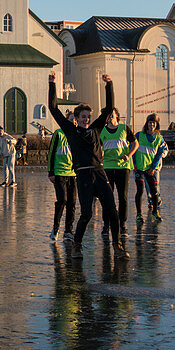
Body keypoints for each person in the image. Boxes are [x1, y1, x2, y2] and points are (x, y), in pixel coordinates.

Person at [49, 72, 129, 260]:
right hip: (83, 176)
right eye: (83, 116)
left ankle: (117, 246)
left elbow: (109, 108)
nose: (86, 119)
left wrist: (108, 85)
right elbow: (53, 109)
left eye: (88, 116)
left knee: (112, 211)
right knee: (86, 214)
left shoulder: (95, 129)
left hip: (100, 174)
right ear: (77, 118)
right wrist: (52, 84)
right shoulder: (70, 131)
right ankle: (77, 245)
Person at [100, 108, 138, 239]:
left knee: (123, 197)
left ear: (117, 115)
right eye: (108, 115)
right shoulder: (102, 131)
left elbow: (135, 143)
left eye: (112, 115)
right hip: (108, 166)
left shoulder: (124, 128)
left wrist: (129, 155)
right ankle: (106, 225)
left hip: (123, 167)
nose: (110, 117)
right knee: (107, 198)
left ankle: (122, 225)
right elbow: (99, 148)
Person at [132, 114, 169, 223]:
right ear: (146, 123)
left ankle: (155, 211)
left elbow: (159, 154)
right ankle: (139, 214)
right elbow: (132, 149)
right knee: (140, 191)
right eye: (149, 122)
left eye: (154, 123)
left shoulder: (159, 138)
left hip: (150, 169)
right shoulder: (139, 135)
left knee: (154, 192)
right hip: (139, 168)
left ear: (157, 124)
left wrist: (153, 167)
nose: (151, 124)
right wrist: (133, 164)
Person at [47, 112, 77, 241]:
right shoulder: (59, 133)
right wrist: (51, 172)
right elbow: (51, 152)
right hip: (59, 172)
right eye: (71, 120)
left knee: (72, 202)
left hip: (73, 174)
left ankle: (69, 230)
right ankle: (56, 227)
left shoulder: (78, 134)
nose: (74, 122)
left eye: (75, 120)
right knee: (62, 200)